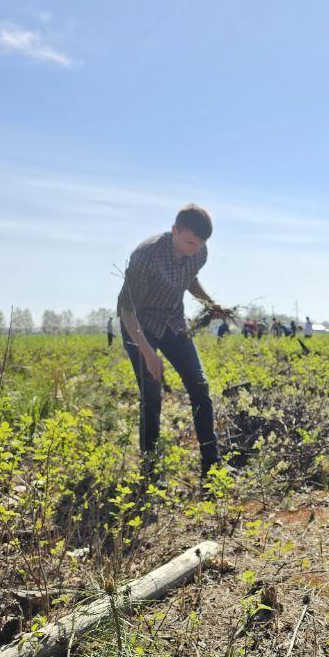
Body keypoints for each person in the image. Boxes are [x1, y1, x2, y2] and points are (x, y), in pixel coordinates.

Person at [117, 203, 228, 477]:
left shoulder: (199, 251)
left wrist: (209, 303)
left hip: (173, 322)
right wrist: (147, 353)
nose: (195, 248)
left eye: (200, 243)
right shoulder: (146, 256)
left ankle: (211, 467)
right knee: (152, 397)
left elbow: (189, 279)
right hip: (139, 325)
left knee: (200, 387)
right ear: (175, 231)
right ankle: (150, 470)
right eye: (190, 241)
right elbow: (127, 310)